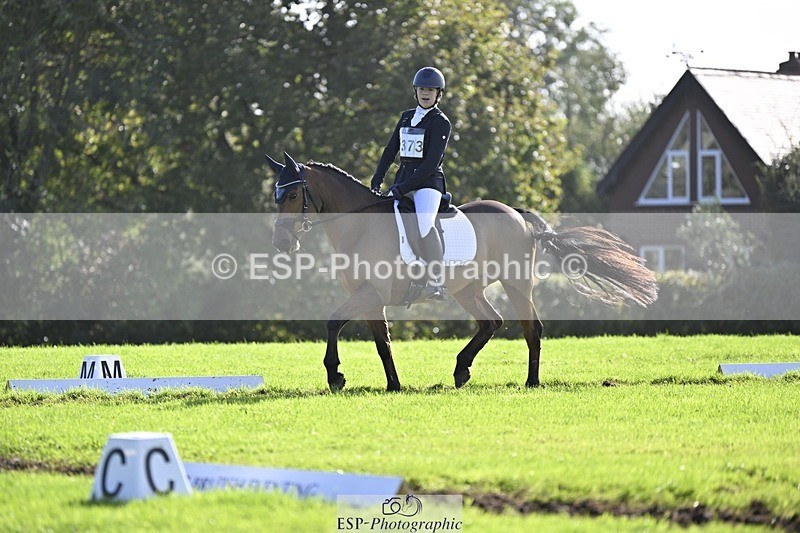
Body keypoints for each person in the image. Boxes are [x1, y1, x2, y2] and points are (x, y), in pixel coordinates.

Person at [371, 66, 451, 301]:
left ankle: (437, 282)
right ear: (415, 91)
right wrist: (378, 177)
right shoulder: (406, 116)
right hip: (403, 181)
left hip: (428, 184)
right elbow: (390, 150)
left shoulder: (441, 122)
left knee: (425, 223)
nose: (426, 93)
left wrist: (403, 188)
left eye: (431, 90)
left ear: (438, 94)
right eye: (422, 89)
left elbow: (430, 163)